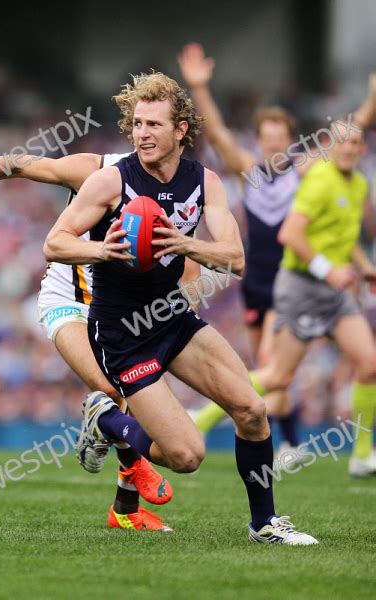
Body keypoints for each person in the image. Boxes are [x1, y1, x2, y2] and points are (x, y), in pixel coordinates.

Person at [44, 71, 318, 543]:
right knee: (187, 457)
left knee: (252, 410)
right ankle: (106, 417)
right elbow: (55, 243)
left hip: (172, 318)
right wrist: (103, 251)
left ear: (180, 130)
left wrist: (183, 245)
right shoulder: (111, 182)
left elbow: (234, 258)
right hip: (122, 333)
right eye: (137, 124)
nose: (142, 133)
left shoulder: (204, 182)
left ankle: (264, 524)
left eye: (154, 124)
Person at [0, 150, 200, 530]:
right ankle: (115, 437)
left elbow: (189, 267)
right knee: (112, 389)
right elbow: (20, 164)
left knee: (135, 400)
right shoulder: (98, 170)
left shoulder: (175, 192)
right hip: (68, 303)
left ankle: (124, 508)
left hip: (124, 314)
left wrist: (177, 313)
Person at [177, 43, 376, 462]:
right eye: (266, 139)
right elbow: (217, 133)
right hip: (257, 279)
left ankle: (278, 441)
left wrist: (371, 101)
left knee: (272, 364)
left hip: (292, 276)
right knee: (272, 371)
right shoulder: (249, 172)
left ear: (290, 141)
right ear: (260, 141)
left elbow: (347, 136)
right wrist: (200, 88)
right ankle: (281, 440)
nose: (272, 146)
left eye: (279, 139)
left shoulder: (307, 171)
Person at [241, 120, 376, 477]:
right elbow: (290, 234)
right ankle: (206, 409)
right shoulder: (318, 179)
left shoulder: (360, 184)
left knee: (370, 364)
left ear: (362, 149)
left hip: (333, 291)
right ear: (330, 146)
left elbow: (346, 242)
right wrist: (328, 271)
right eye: (342, 143)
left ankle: (362, 454)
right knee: (277, 377)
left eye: (356, 143)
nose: (349, 149)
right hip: (301, 285)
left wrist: (366, 268)